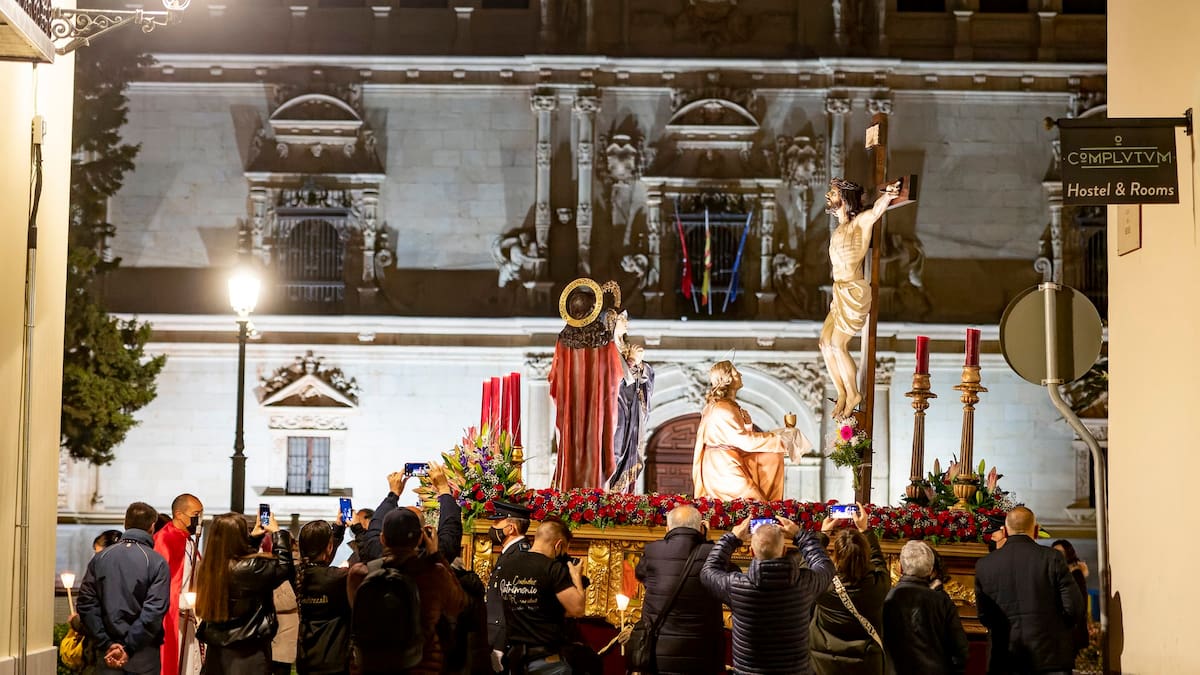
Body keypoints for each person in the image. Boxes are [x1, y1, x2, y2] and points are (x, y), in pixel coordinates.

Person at [700, 516, 835, 675]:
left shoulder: (736, 587)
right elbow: (825, 566)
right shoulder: (805, 583)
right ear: (784, 551)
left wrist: (732, 538)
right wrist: (800, 535)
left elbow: (708, 572)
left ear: (752, 552)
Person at [348, 506, 467, 675]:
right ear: (420, 539)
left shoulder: (359, 574)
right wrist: (436, 555)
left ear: (382, 539)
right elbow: (458, 604)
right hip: (420, 665)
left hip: (370, 665)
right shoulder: (433, 574)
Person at [820, 177, 903, 418]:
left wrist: (888, 195)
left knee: (838, 344)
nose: (828, 196)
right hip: (839, 291)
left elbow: (876, 212)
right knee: (825, 343)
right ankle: (842, 393)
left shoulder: (859, 224)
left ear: (845, 198)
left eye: (833, 192)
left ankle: (853, 393)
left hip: (853, 292)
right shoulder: (838, 230)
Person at [974, 506, 1085, 675]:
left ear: (1005, 531)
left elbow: (985, 616)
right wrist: (1057, 629)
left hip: (1005, 659)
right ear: (1036, 530)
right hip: (1050, 657)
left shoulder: (985, 565)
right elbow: (1074, 608)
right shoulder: (1052, 558)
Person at [194, 511, 295, 675]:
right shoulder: (252, 567)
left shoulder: (208, 567)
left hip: (217, 653)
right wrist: (277, 533)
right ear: (239, 536)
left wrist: (254, 539)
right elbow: (284, 568)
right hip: (249, 654)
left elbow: (238, 558)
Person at [692, 360, 810, 501]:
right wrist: (780, 440)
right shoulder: (723, 408)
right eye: (736, 372)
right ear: (727, 379)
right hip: (723, 469)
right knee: (753, 503)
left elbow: (733, 437)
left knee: (771, 456)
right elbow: (745, 442)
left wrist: (747, 426)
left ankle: (772, 506)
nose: (740, 374)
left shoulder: (725, 406)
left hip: (728, 459)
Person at [77, 502, 171, 674]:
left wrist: (106, 643)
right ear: (152, 527)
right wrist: (128, 647)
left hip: (107, 654)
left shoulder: (100, 558)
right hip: (143, 655)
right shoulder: (157, 562)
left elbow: (86, 604)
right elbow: (154, 611)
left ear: (125, 523)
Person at [548, 278, 625, 490]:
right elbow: (616, 374)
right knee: (597, 439)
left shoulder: (563, 339)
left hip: (571, 408)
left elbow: (554, 380)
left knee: (571, 440)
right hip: (597, 406)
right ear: (593, 310)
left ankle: (569, 484)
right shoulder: (603, 339)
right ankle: (594, 483)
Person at [633, 505, 726, 675]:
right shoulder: (713, 553)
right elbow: (729, 577)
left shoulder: (652, 551)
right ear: (701, 528)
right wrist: (709, 543)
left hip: (659, 653)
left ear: (667, 528)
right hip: (703, 655)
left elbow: (640, 575)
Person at [491, 519, 587, 674]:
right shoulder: (552, 568)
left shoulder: (507, 565)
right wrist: (576, 577)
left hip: (516, 658)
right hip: (546, 661)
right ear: (558, 545)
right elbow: (577, 609)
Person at [810, 505, 890, 675]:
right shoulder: (878, 585)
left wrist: (823, 534)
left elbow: (808, 565)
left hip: (825, 663)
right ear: (866, 555)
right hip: (866, 661)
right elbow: (878, 561)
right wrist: (865, 530)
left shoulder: (822, 584)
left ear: (836, 556)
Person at [882, 541, 968, 675]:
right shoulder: (941, 601)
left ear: (900, 568)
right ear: (930, 570)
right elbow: (960, 649)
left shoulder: (887, 599)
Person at [154, 493, 204, 675]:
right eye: (196, 514)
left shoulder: (188, 540)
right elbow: (160, 584)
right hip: (174, 616)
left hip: (190, 615)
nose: (199, 520)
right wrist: (181, 600)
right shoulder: (164, 539)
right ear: (179, 514)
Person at [296, 518, 351, 675]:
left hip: (306, 659)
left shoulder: (298, 574)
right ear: (329, 547)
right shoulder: (338, 577)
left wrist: (337, 531)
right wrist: (359, 530)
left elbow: (318, 560)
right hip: (334, 660)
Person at [607, 320, 654, 493]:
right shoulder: (606, 348)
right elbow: (608, 377)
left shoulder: (625, 347)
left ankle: (620, 492)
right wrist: (632, 361)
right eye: (621, 320)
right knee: (615, 447)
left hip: (630, 406)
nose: (626, 323)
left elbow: (642, 378)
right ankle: (608, 488)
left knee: (630, 446)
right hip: (613, 406)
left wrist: (640, 366)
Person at [486, 501, 534, 673]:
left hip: (505, 644)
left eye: (497, 522)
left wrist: (499, 647)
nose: (492, 527)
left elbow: (513, 605)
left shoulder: (519, 556)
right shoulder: (511, 553)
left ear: (511, 528)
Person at [1052, 539, 1091, 656]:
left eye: (1060, 553)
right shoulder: (1057, 575)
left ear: (1068, 554)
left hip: (1072, 632)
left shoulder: (1075, 574)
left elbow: (1079, 604)